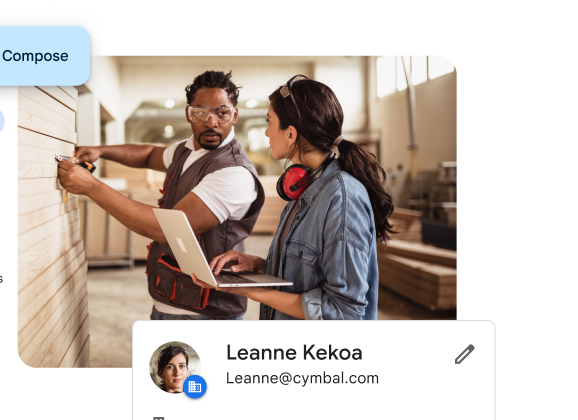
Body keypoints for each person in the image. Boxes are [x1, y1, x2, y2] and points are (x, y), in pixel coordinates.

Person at [57, 70, 265, 320]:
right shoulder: (186, 150)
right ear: (189, 113)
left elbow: (168, 229)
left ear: (235, 115)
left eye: (222, 112)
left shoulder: (233, 172)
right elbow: (147, 154)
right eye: (201, 112)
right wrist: (101, 150)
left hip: (206, 313)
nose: (211, 122)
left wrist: (92, 187)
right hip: (171, 294)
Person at [191, 75, 395, 320]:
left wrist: (252, 291)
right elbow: (308, 274)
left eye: (269, 122)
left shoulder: (341, 199)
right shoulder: (305, 187)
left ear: (290, 134)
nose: (266, 132)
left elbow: (343, 313)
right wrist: (256, 264)